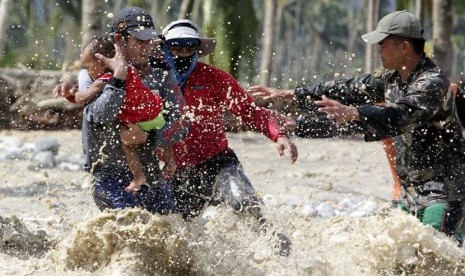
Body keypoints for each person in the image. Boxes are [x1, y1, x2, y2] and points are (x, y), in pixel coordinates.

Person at [249, 11, 465, 243]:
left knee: (437, 259)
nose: (378, 51)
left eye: (383, 45)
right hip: (408, 193)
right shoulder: (391, 79)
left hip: (444, 192)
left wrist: (355, 112)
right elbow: (347, 88)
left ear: (404, 47)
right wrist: (291, 95)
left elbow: (399, 115)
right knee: (395, 259)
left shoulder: (432, 83)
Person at [158, 19, 298, 256]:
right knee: (172, 235)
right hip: (173, 170)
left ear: (197, 50)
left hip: (217, 162)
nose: (182, 54)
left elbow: (251, 112)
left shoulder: (215, 78)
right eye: (176, 48)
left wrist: (279, 135)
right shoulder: (153, 81)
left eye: (188, 48)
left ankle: (278, 249)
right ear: (164, 49)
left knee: (243, 202)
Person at [53, 7, 189, 214]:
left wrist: (149, 137)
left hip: (150, 172)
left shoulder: (161, 73)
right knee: (128, 223)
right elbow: (98, 115)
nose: (146, 47)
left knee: (170, 228)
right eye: (139, 41)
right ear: (119, 40)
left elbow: (180, 120)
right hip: (109, 175)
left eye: (149, 40)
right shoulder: (93, 74)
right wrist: (118, 78)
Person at [70, 37, 176, 195]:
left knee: (128, 143)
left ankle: (138, 176)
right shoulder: (133, 70)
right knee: (162, 130)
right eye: (139, 42)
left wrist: (72, 97)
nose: (88, 71)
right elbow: (101, 113)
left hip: (137, 127)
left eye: (89, 66)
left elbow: (85, 98)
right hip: (153, 111)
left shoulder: (108, 78)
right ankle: (171, 163)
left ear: (101, 63)